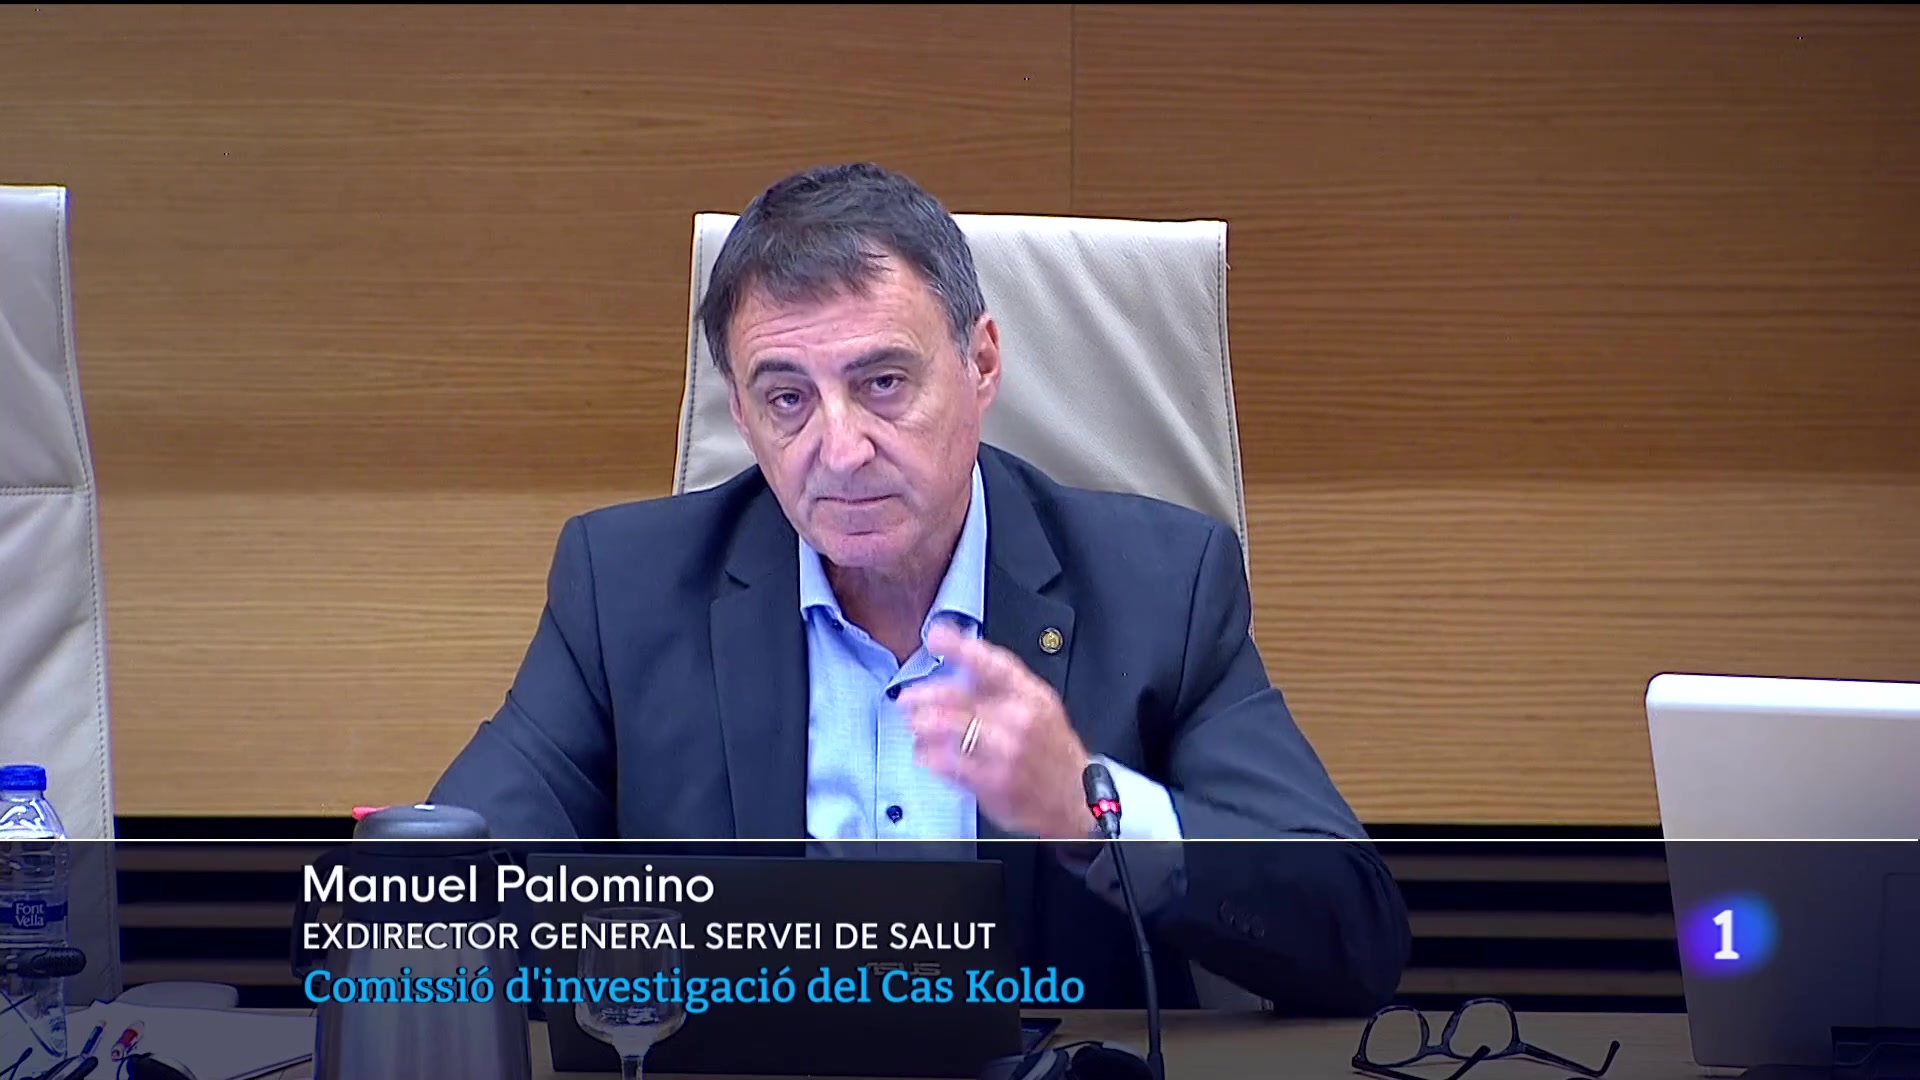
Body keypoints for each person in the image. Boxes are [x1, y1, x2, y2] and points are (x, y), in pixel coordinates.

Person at [428, 162, 1410, 1015]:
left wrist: (1090, 812)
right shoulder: (626, 588)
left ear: (981, 363)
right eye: (787, 398)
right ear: (743, 411)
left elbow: (1353, 935)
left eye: (884, 384)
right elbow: (446, 900)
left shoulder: (1160, 587)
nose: (840, 450)